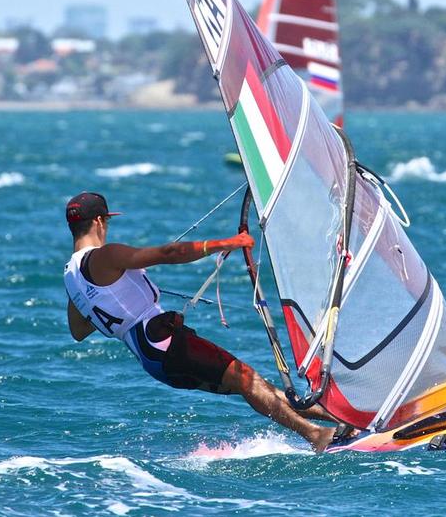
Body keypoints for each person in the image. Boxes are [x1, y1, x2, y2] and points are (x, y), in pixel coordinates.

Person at [62, 191, 339, 452]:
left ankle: (340, 422)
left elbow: (79, 330)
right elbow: (169, 254)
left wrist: (117, 303)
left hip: (151, 361)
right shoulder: (105, 255)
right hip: (163, 342)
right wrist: (226, 243)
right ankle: (316, 435)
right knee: (247, 380)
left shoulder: (71, 277)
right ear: (99, 221)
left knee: (251, 383)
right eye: (107, 221)